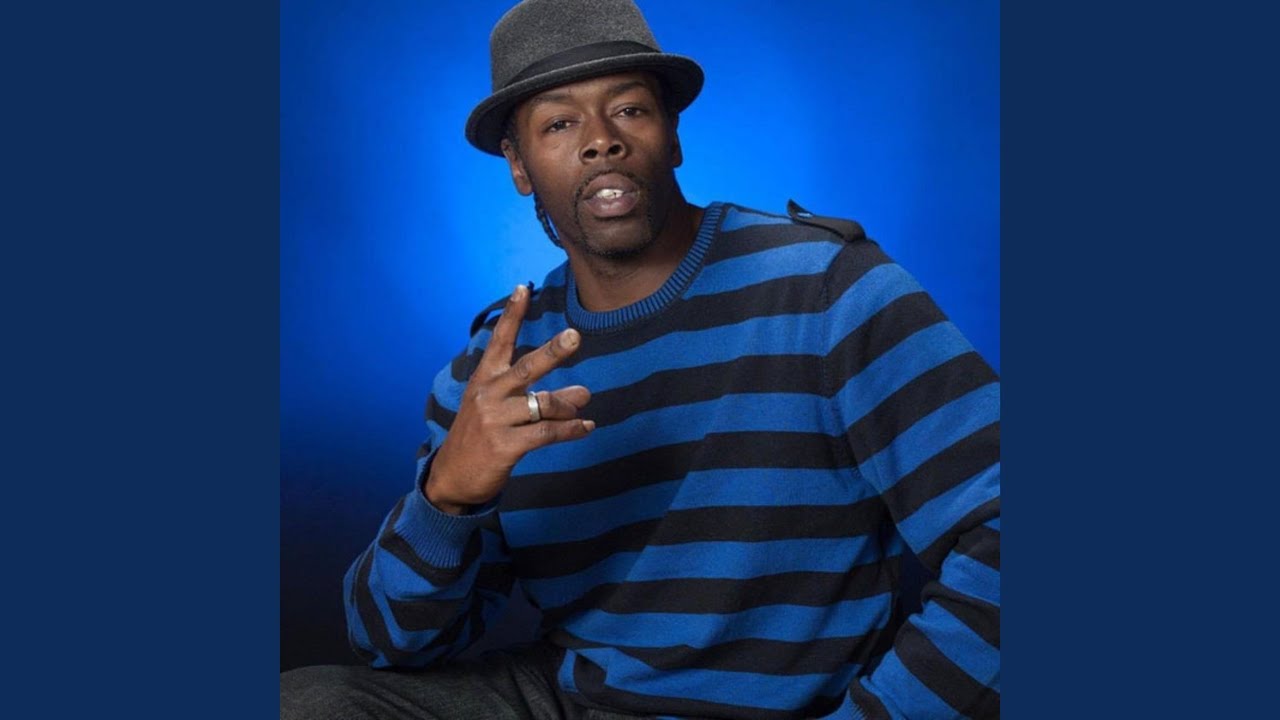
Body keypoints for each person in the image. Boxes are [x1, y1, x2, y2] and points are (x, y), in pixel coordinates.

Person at [281, 0, 1000, 718]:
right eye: (559, 124)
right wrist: (446, 497)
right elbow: (393, 647)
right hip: (571, 700)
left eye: (629, 110)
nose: (602, 142)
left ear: (673, 135)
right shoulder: (498, 366)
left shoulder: (828, 289)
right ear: (519, 166)